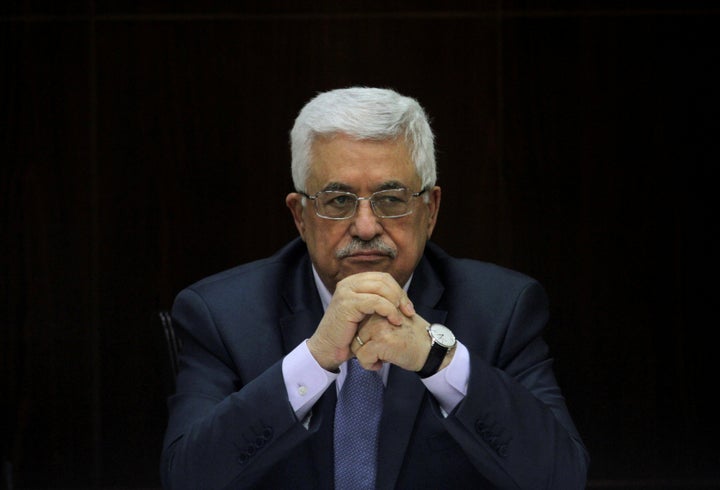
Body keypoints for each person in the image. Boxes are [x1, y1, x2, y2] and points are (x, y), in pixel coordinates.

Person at [160, 87, 589, 489]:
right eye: (338, 201)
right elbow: (186, 479)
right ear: (300, 216)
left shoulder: (501, 309)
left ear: (430, 210)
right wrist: (313, 360)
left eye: (391, 199)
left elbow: (562, 477)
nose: (365, 228)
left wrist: (436, 359)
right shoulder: (221, 314)